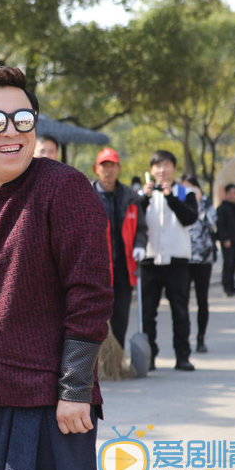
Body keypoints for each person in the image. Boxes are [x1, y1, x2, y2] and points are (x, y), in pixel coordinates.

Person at [0, 67, 113, 470]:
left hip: (53, 403)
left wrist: (75, 388)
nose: (10, 131)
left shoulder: (64, 188)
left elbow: (90, 296)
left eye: (23, 119)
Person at [140, 150, 198, 371]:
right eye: (157, 166)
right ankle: (150, 357)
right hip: (150, 259)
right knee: (148, 312)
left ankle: (182, 356)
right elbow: (134, 219)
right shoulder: (143, 194)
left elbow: (189, 218)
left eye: (166, 165)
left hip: (177, 260)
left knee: (180, 310)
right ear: (151, 169)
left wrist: (170, 196)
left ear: (174, 168)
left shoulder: (185, 193)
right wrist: (144, 198)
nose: (162, 170)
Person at [92, 147, 147, 350]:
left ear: (119, 168)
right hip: (97, 268)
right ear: (96, 169)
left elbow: (141, 228)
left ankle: (118, 357)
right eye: (104, 166)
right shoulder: (86, 195)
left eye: (112, 166)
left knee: (120, 317)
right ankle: (96, 364)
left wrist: (140, 245)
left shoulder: (131, 197)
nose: (108, 170)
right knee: (97, 317)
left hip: (124, 267)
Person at [180, 175, 217, 353]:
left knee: (202, 300)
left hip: (203, 259)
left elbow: (213, 223)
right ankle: (184, 339)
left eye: (191, 188)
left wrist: (202, 201)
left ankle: (201, 337)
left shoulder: (206, 205)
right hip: (183, 259)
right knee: (182, 301)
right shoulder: (177, 203)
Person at [216, 184, 235, 297]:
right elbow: (221, 226)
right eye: (231, 193)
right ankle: (226, 286)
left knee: (234, 264)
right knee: (228, 264)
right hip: (227, 241)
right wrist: (225, 239)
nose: (233, 195)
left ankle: (232, 286)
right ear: (226, 194)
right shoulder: (222, 208)